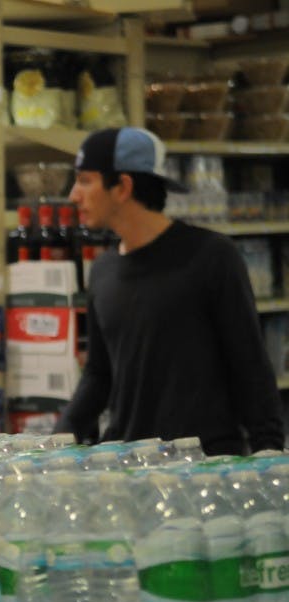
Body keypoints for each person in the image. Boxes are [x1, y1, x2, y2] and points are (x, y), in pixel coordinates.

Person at [55, 126, 284, 455]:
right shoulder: (103, 271)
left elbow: (249, 365)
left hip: (206, 470)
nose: (74, 195)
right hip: (129, 469)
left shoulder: (211, 256)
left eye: (85, 180)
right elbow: (99, 374)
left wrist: (269, 452)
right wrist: (59, 439)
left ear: (123, 186)